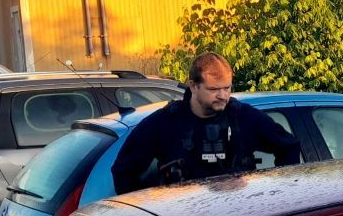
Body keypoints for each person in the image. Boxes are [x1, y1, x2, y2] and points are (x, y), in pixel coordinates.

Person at [112, 52, 300, 193]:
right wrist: (149, 210)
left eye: (227, 88)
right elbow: (123, 171)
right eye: (214, 89)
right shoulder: (165, 123)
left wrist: (277, 192)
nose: (223, 96)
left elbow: (289, 146)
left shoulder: (244, 118)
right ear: (193, 86)